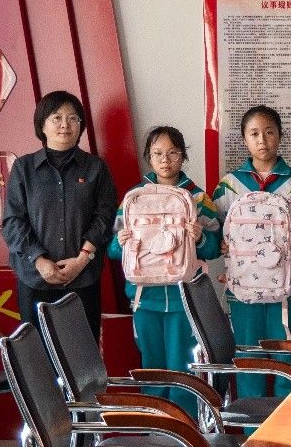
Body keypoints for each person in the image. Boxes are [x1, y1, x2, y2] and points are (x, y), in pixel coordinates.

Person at [108, 126, 220, 414]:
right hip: (145, 299)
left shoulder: (198, 198)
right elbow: (113, 250)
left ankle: (184, 427)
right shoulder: (134, 198)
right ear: (148, 157)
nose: (165, 160)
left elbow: (214, 249)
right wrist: (121, 243)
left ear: (183, 156)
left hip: (186, 300)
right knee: (152, 369)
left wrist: (201, 239)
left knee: (184, 368)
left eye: (172, 153)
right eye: (157, 153)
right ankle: (155, 426)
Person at [212, 105, 291, 399]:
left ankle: (287, 424)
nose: (262, 140)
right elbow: (215, 228)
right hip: (244, 287)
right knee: (249, 358)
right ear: (244, 139)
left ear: (280, 136)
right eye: (254, 134)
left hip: (290, 288)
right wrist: (220, 242)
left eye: (269, 132)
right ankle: (250, 422)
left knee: (289, 358)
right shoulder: (228, 186)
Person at [2, 91, 117, 340]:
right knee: (37, 351)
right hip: (34, 278)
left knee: (82, 352)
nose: (65, 124)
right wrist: (39, 260)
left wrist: (82, 259)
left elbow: (105, 216)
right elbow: (13, 221)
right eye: (57, 117)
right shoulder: (23, 168)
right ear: (42, 125)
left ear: (80, 125)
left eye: (73, 118)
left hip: (82, 277)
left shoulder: (96, 167)